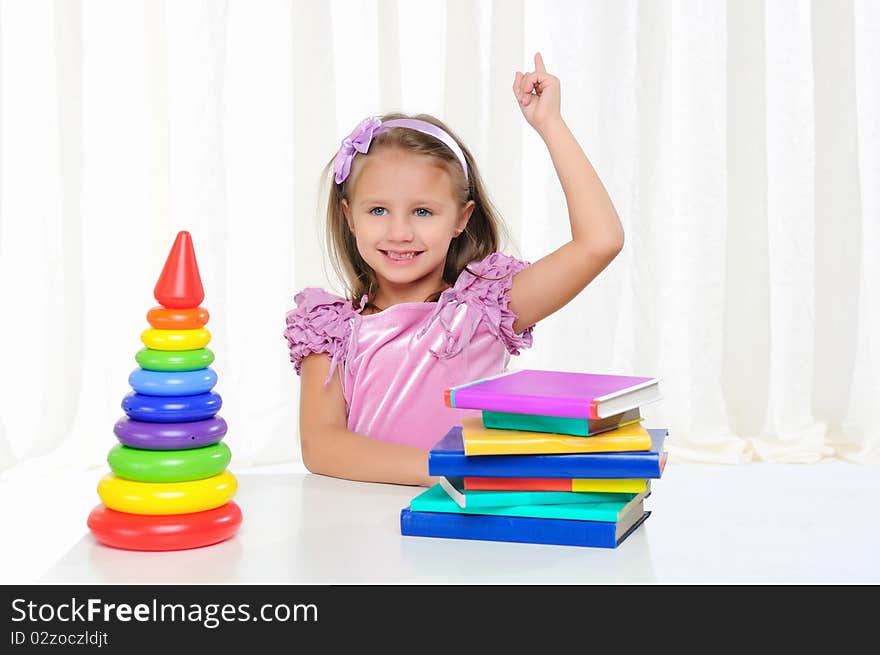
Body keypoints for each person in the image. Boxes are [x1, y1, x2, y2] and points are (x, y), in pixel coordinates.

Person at [284, 52, 624, 487]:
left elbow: (600, 241)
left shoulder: (486, 308)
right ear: (350, 218)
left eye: (423, 211)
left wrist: (550, 124)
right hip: (364, 531)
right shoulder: (330, 332)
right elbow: (322, 448)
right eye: (379, 210)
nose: (400, 232)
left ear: (461, 218)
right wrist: (450, 471)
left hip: (472, 526)